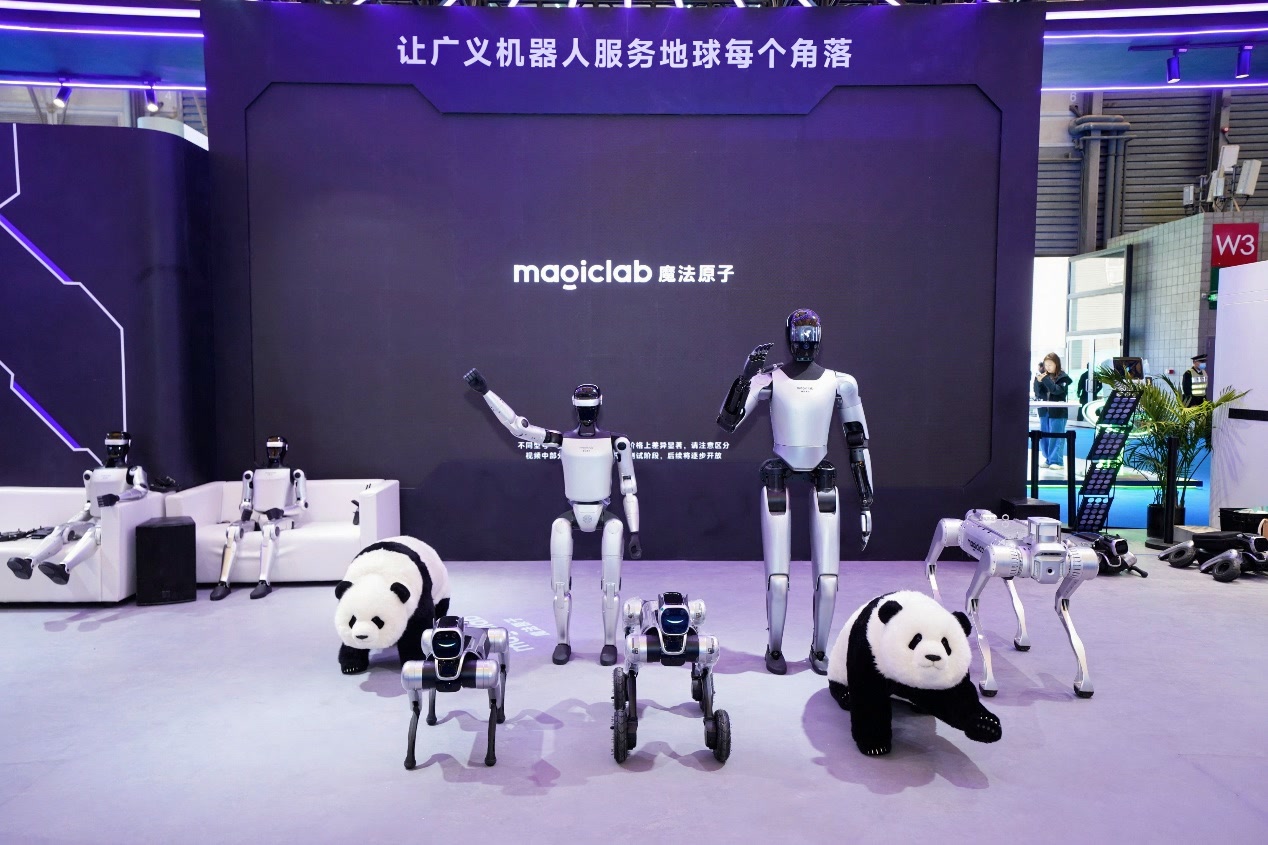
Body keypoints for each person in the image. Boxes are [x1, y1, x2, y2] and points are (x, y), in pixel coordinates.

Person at [1033, 353, 1073, 469]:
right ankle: (1048, 459)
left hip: (1058, 412)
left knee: (1056, 436)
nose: (1048, 367)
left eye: (1050, 365)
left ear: (1056, 364)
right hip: (1044, 411)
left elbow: (1056, 390)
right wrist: (1038, 381)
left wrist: (1045, 379)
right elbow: (1037, 392)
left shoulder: (1063, 377)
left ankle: (1057, 461)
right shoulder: (1043, 376)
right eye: (1046, 365)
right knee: (1044, 436)